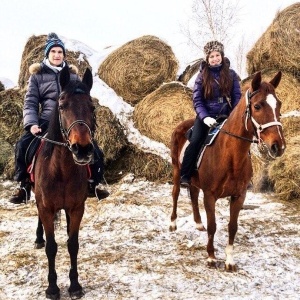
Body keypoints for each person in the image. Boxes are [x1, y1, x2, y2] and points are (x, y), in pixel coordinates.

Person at [9, 32, 109, 204]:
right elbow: (30, 102)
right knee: (22, 145)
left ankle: (95, 183)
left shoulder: (72, 76)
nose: (57, 55)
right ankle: (23, 185)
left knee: (95, 149)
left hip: (69, 122)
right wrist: (32, 124)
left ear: (64, 55)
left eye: (60, 52)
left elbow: (80, 101)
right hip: (46, 121)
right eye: (53, 52)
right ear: (47, 54)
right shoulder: (37, 76)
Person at [180, 40, 242, 187]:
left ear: (222, 55)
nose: (215, 58)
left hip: (226, 116)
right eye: (212, 56)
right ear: (207, 59)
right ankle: (186, 175)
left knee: (240, 141)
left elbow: (237, 97)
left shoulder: (232, 75)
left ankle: (242, 176)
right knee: (195, 141)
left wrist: (233, 117)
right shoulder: (201, 76)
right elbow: (197, 100)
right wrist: (205, 117)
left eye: (217, 55)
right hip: (206, 117)